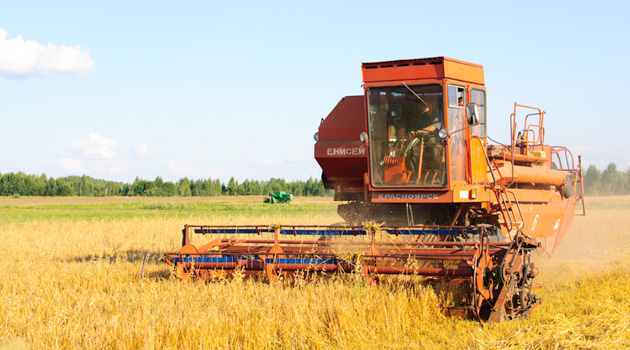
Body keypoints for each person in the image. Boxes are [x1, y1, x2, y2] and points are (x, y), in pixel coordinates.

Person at [404, 102, 444, 184]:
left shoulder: (438, 115)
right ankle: (414, 176)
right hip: (424, 142)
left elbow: (432, 128)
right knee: (412, 151)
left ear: (431, 105)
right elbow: (418, 130)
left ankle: (436, 177)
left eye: (425, 103)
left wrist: (416, 132)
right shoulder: (422, 117)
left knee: (435, 151)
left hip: (436, 142)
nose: (423, 106)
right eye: (422, 104)